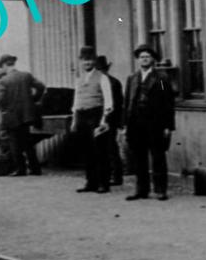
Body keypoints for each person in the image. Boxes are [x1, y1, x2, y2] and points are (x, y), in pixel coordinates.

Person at [123, 44, 176, 201]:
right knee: (139, 158)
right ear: (138, 60)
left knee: (158, 156)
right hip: (136, 123)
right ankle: (141, 189)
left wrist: (168, 125)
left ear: (152, 59)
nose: (144, 59)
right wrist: (125, 124)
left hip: (155, 123)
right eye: (141, 57)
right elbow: (127, 103)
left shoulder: (161, 79)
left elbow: (168, 102)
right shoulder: (132, 79)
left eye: (147, 56)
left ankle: (160, 190)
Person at [71, 46, 117, 194]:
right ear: (80, 62)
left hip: (96, 115)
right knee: (87, 151)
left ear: (94, 61)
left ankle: (104, 183)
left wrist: (104, 121)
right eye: (84, 61)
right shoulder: (79, 79)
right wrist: (74, 120)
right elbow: (76, 101)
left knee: (100, 151)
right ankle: (91, 182)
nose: (87, 63)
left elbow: (108, 101)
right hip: (82, 116)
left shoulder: (102, 77)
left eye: (90, 60)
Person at [0, 54, 45, 177]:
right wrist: (33, 100)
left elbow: (1, 99)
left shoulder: (4, 80)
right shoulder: (26, 76)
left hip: (12, 115)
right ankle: (35, 169)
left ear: (4, 65)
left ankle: (20, 169)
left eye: (1, 67)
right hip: (27, 115)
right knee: (27, 141)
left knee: (14, 143)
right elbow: (41, 87)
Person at [95, 56, 126, 187]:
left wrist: (111, 120)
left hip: (109, 119)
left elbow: (117, 103)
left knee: (110, 147)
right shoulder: (113, 81)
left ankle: (116, 175)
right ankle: (111, 175)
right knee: (107, 147)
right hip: (105, 119)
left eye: (101, 69)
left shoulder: (111, 83)